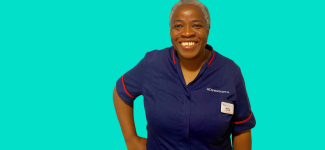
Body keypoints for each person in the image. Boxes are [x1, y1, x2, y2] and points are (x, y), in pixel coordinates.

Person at [113, 0, 256, 149]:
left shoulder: (230, 71)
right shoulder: (152, 63)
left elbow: (242, 128)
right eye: (178, 26)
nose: (187, 33)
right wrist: (131, 139)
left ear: (208, 29)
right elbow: (121, 91)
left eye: (196, 25)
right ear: (170, 30)